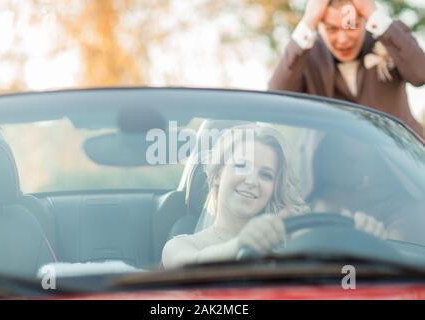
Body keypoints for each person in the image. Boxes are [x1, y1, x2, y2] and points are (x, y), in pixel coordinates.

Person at [162, 123, 386, 269]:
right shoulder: (180, 248)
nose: (252, 180)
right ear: (219, 173)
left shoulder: (294, 245)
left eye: (266, 175)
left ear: (273, 189)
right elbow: (194, 266)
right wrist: (241, 244)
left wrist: (361, 244)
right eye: (242, 166)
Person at [268, 0, 425, 139]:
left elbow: (420, 73)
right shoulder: (307, 56)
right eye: (332, 29)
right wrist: (308, 22)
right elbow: (275, 98)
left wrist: (373, 13)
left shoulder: (390, 40)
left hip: (401, 159)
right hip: (332, 165)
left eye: (352, 26)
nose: (343, 40)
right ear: (319, 26)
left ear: (365, 20)